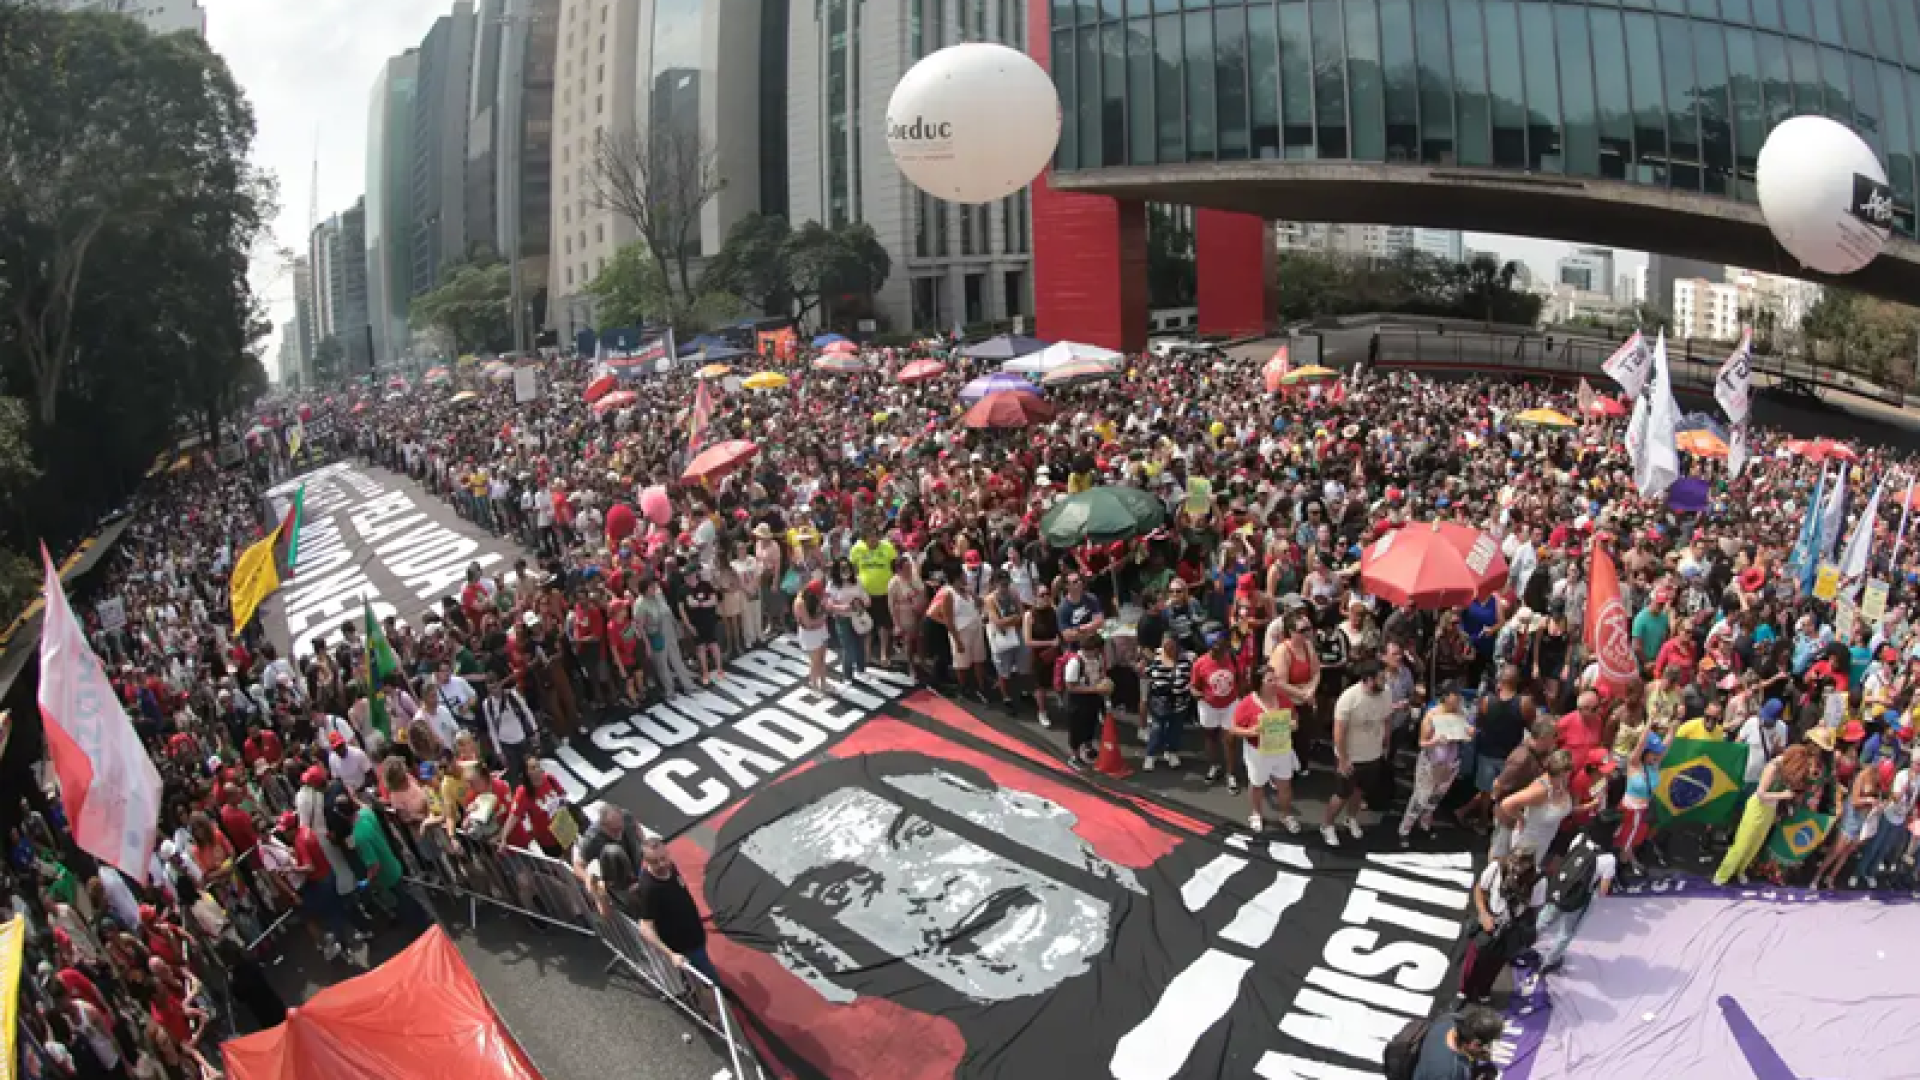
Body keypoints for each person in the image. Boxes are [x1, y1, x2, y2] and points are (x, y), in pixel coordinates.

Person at [635, 836, 719, 1019]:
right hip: (684, 946)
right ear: (646, 861)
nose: (662, 864)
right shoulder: (649, 889)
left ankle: (712, 1006)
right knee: (707, 982)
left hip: (695, 934)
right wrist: (671, 954)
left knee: (705, 978)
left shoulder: (670, 868)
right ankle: (713, 1014)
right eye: (655, 861)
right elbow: (645, 927)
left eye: (664, 858)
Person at [1714, 744, 1821, 886]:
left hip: (1770, 810)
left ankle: (1740, 870)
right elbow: (1761, 793)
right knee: (1743, 843)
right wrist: (1783, 795)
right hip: (1757, 808)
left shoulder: (1786, 769)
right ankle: (1722, 875)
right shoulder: (1773, 767)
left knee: (1756, 845)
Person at [1531, 817, 1618, 975]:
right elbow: (1603, 890)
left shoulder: (1579, 838)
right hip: (1578, 900)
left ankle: (1524, 945)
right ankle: (1549, 962)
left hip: (1560, 889)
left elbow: (1568, 858)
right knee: (1565, 933)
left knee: (1544, 919)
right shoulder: (1608, 859)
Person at [1459, 847, 1545, 1004]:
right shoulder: (1496, 868)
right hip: (1490, 918)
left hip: (1511, 927)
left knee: (1497, 962)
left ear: (1530, 863)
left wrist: (1525, 929)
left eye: (1522, 863)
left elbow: (1535, 908)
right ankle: (1464, 990)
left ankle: (1484, 989)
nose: (1516, 866)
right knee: (1474, 958)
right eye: (1514, 861)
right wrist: (1483, 913)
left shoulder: (1538, 880)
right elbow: (1480, 889)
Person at [1324, 659, 1391, 847]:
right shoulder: (1349, 698)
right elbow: (1338, 731)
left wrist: (1386, 744)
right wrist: (1343, 759)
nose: (1384, 680)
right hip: (1351, 756)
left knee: (1359, 791)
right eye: (1381, 678)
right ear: (1368, 679)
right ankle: (1327, 824)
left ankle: (1351, 818)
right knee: (1341, 793)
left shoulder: (1386, 693)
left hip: (1373, 754)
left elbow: (1386, 719)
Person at [1231, 666, 1303, 833]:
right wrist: (1251, 731)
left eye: (1275, 679)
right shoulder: (1247, 703)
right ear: (1260, 683)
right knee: (1257, 784)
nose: (1274, 683)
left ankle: (1285, 815)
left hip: (1281, 749)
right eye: (1270, 680)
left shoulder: (1283, 699)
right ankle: (1256, 813)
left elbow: (1295, 719)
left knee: (1285, 784)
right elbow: (1234, 729)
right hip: (1259, 752)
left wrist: (1293, 724)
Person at [1401, 681, 1472, 845]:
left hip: (1450, 763)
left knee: (1435, 797)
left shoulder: (1461, 712)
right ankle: (1405, 829)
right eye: (1455, 697)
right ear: (1446, 697)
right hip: (1430, 763)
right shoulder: (1432, 715)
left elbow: (1465, 732)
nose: (1458, 700)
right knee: (1420, 797)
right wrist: (1434, 741)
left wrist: (1468, 733)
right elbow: (1421, 743)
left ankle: (1425, 824)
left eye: (1459, 697)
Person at [1407, 1004, 1505, 1080]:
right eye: (1489, 1044)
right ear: (1475, 1044)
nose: (1489, 1048)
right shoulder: (1450, 1073)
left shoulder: (1450, 1019)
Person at [1141, 631, 1193, 772]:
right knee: (1157, 728)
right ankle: (1150, 755)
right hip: (1159, 701)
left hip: (1180, 701)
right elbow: (1147, 673)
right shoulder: (1156, 656)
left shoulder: (1188, 658)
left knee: (1175, 729)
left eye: (1171, 646)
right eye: (1165, 645)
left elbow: (1192, 676)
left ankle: (1171, 752)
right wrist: (1142, 670)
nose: (1167, 649)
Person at [1061, 634, 1113, 769]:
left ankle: (1088, 748)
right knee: (1077, 729)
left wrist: (1104, 682)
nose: (1100, 652)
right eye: (1098, 649)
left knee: (1091, 723)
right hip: (1078, 701)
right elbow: (1071, 687)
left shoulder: (1098, 658)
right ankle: (1075, 756)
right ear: (1093, 648)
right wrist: (1094, 689)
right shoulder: (1075, 663)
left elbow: (1101, 673)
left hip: (1093, 697)